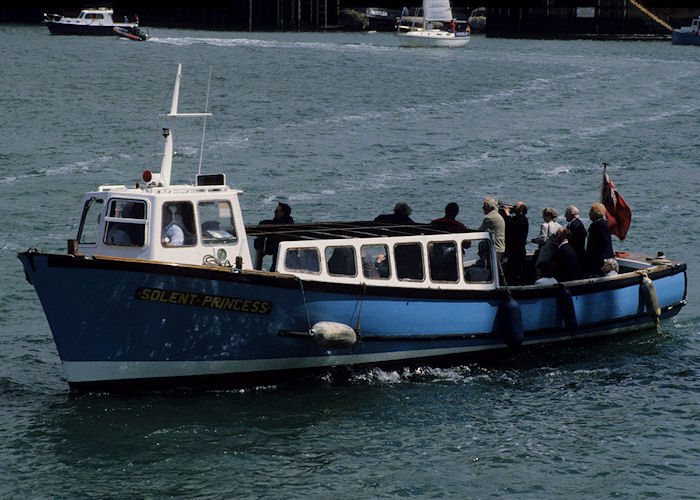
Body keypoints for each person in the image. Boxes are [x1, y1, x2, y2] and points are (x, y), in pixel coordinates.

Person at [254, 203, 294, 271]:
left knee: (275, 266)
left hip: (281, 251)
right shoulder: (280, 222)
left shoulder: (284, 224)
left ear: (283, 213)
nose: (274, 213)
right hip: (278, 251)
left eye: (276, 211)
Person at [503, 201, 528, 284]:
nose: (513, 208)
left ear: (521, 209)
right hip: (512, 250)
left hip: (518, 251)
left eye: (515, 207)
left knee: (514, 272)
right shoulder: (516, 219)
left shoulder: (523, 220)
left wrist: (507, 214)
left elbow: (512, 227)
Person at [586, 202, 614, 276]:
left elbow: (602, 244)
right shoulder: (596, 224)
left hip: (600, 260)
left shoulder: (601, 225)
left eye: (591, 212)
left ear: (596, 213)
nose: (589, 214)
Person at [478, 197, 506, 266]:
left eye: (484, 206)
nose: (482, 208)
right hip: (500, 247)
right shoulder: (497, 215)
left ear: (490, 207)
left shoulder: (489, 217)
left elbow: (480, 231)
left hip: (495, 248)